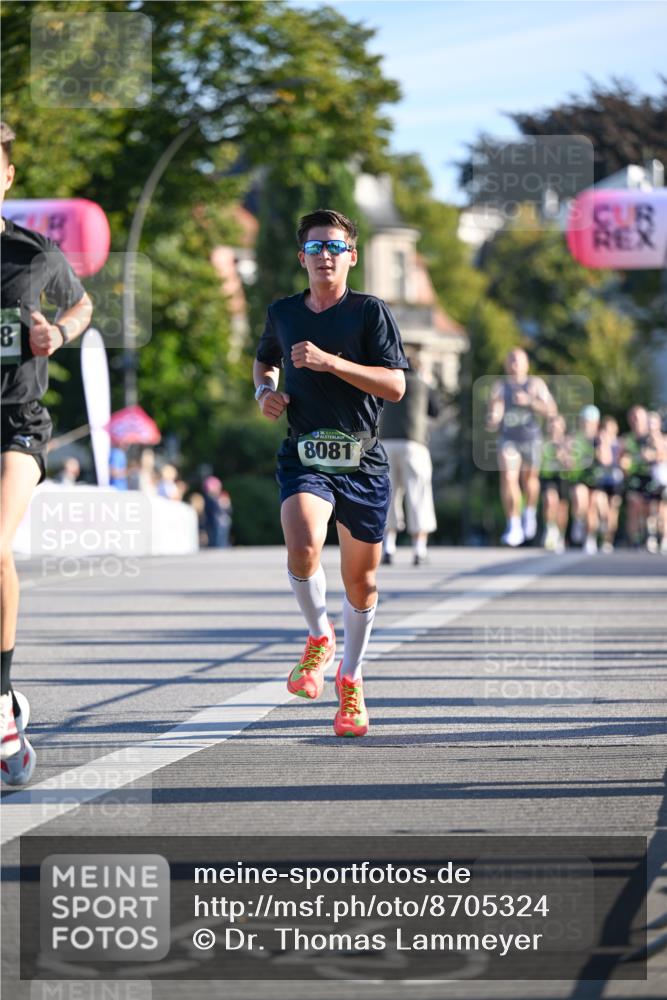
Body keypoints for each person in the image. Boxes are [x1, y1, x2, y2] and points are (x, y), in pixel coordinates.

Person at [253, 208, 407, 737]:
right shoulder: (283, 312)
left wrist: (331, 363)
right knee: (302, 541)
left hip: (362, 460)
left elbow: (395, 387)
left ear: (352, 257)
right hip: (305, 454)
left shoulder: (369, 313)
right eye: (316, 248)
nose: (325, 256)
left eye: (335, 248)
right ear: (302, 258)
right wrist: (264, 392)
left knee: (360, 581)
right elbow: (265, 360)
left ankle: (351, 677)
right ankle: (319, 636)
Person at [1, 121, 93, 785]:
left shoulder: (34, 255)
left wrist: (56, 332)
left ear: (7, 176)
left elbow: (82, 306)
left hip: (17, 422)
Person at [486, 348, 557, 547]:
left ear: (526, 364)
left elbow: (551, 410)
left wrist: (530, 402)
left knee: (530, 480)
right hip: (508, 439)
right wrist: (493, 418)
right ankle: (514, 524)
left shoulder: (535, 385)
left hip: (531, 439)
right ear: (506, 364)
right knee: (508, 477)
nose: (514, 364)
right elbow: (495, 410)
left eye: (518, 361)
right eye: (511, 360)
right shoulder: (500, 387)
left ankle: (530, 512)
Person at [379, 351, 440, 565]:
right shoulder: (423, 385)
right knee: (418, 494)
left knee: (389, 496)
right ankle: (419, 550)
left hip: (385, 443)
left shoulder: (388, 382)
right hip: (414, 444)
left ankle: (389, 546)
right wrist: (428, 382)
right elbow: (435, 411)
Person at [565, 404, 601, 553]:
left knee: (592, 509)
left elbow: (605, 459)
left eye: (590, 421)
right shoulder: (575, 438)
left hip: (596, 478)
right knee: (580, 500)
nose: (587, 424)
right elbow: (568, 461)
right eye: (585, 421)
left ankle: (590, 537)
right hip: (580, 477)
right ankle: (578, 521)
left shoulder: (600, 438)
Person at [539, 414, 569, 552]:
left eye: (557, 426)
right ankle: (550, 529)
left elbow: (572, 464)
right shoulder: (542, 443)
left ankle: (560, 535)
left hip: (563, 478)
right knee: (550, 501)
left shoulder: (568, 443)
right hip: (547, 477)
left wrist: (563, 456)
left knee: (562, 509)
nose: (554, 428)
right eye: (552, 425)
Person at [202, 475, 232, 547]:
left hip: (221, 522)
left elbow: (229, 510)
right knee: (216, 541)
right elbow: (214, 510)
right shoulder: (210, 498)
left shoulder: (219, 497)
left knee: (221, 540)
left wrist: (226, 503)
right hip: (214, 522)